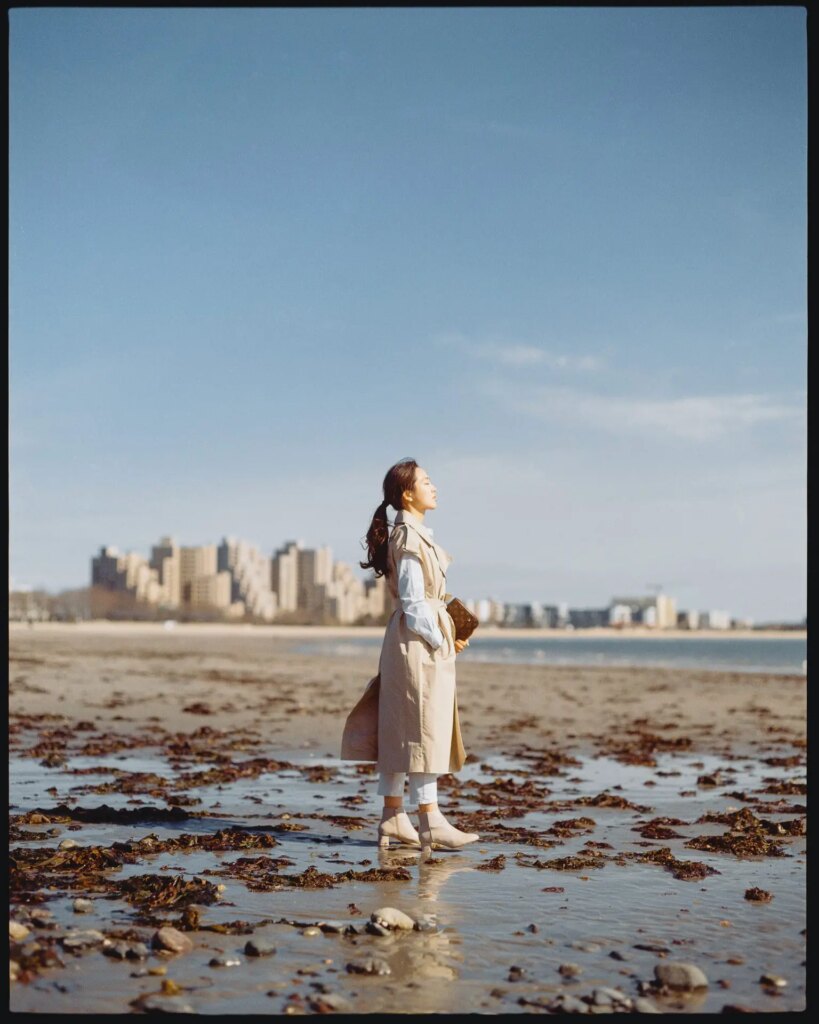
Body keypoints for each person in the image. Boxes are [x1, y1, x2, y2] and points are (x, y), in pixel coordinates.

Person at [358, 457, 479, 859]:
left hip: (410, 639)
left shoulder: (411, 534)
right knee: (424, 728)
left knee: (402, 726)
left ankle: (394, 814)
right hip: (418, 640)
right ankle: (431, 820)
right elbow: (413, 600)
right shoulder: (409, 536)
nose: (435, 487)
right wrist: (440, 639)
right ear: (407, 493)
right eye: (427, 481)